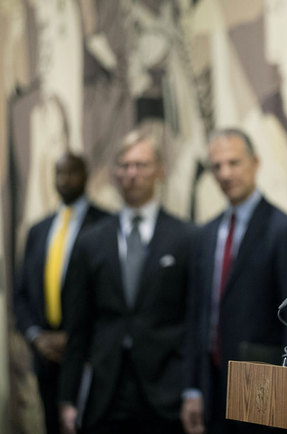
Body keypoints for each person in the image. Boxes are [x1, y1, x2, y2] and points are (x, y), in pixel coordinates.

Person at [58, 128, 194, 434]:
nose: (132, 173)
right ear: (114, 174)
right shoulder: (90, 242)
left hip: (165, 390)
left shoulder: (185, 237)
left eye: (141, 165)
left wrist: (192, 390)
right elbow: (77, 326)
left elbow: (193, 321)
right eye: (124, 165)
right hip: (106, 391)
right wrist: (68, 397)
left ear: (159, 171)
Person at [181, 128, 287, 434]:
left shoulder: (284, 230)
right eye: (217, 166)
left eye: (234, 163)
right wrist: (192, 389)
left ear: (255, 163)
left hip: (262, 386)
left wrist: (286, 389)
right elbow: (197, 314)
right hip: (212, 386)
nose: (225, 173)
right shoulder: (205, 234)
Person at [13, 153, 110, 434]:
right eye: (59, 173)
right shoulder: (38, 230)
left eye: (72, 173)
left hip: (90, 355)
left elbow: (113, 296)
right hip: (45, 354)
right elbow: (22, 293)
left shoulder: (106, 224)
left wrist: (77, 337)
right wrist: (36, 337)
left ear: (86, 175)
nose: (65, 180)